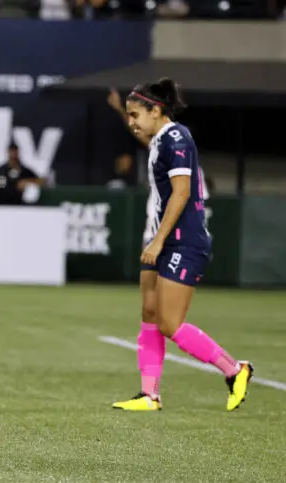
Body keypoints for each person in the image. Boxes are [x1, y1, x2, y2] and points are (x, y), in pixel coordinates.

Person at [111, 78, 252, 412]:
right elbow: (145, 138)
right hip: (160, 238)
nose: (132, 122)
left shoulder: (177, 137)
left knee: (169, 323)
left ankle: (235, 369)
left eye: (135, 114)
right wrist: (121, 112)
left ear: (156, 111)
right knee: (149, 312)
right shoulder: (161, 139)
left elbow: (182, 192)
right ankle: (149, 395)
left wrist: (158, 241)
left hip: (182, 242)